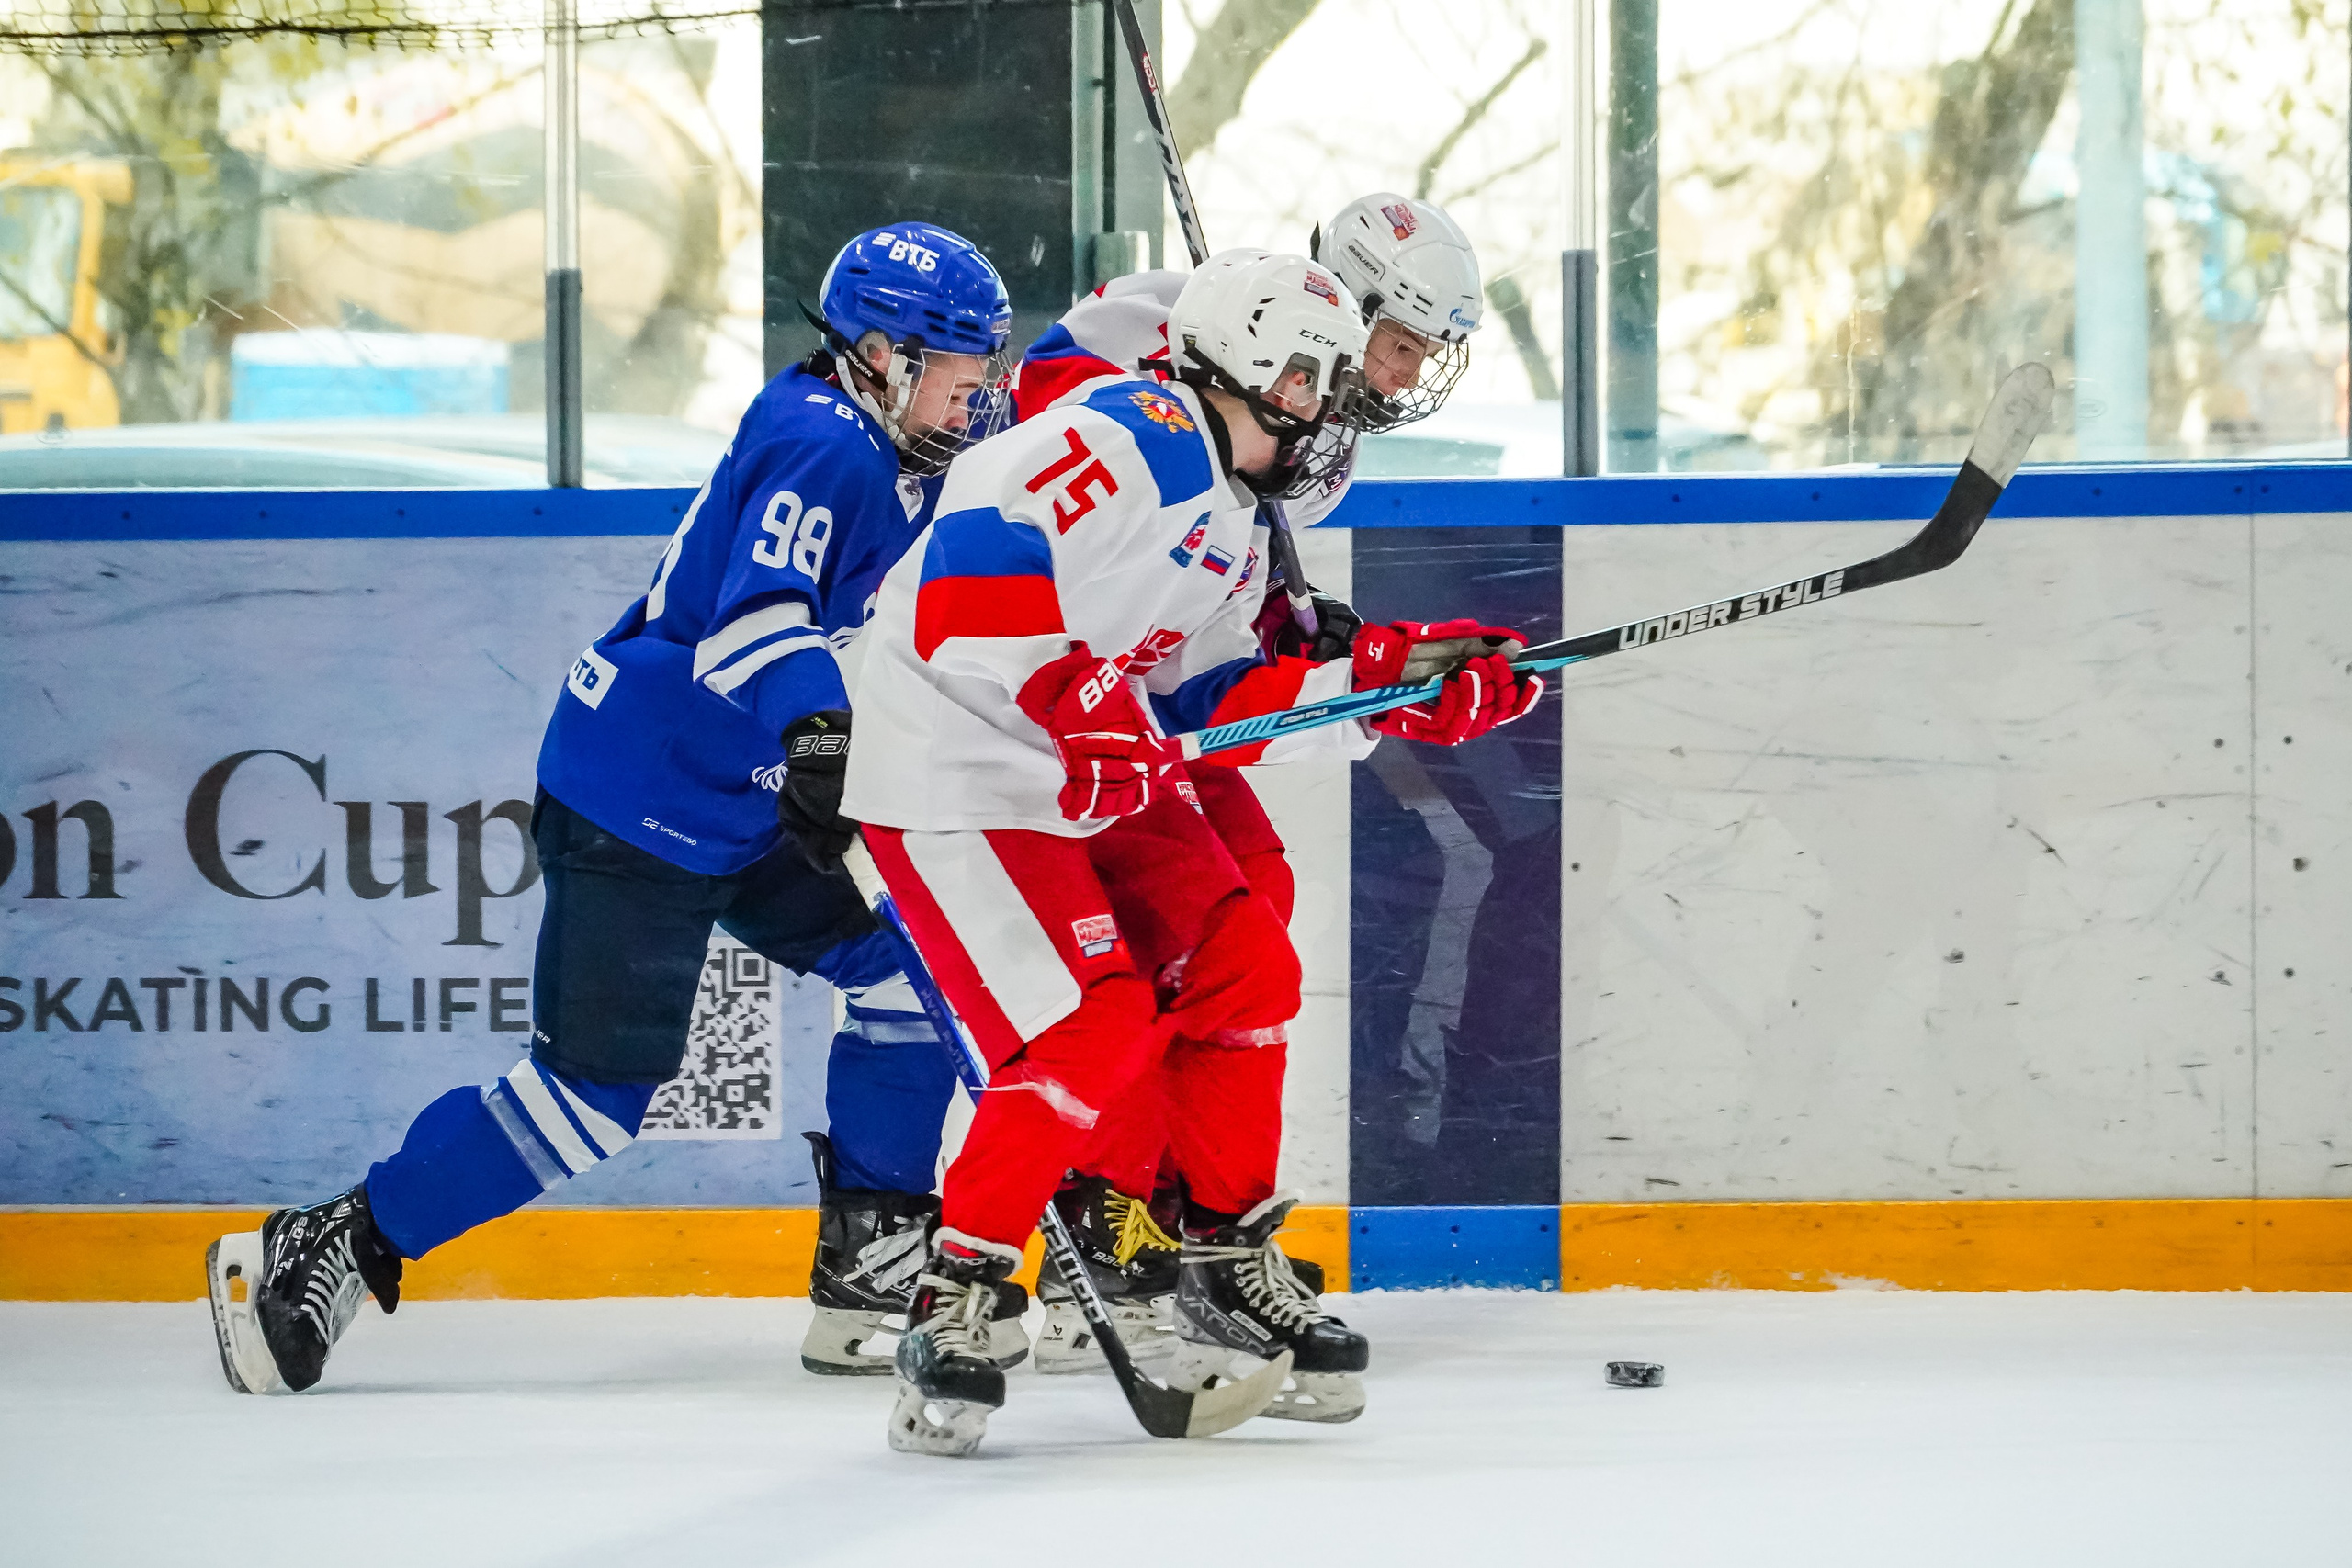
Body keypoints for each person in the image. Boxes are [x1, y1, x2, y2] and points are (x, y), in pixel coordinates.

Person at [203, 222, 1029, 1395]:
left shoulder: (912, 440)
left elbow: (1039, 430)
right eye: (960, 365)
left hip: (752, 798)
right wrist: (823, 736)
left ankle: (872, 1262)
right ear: (884, 355)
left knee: (911, 979)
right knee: (593, 1100)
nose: (979, 392)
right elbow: (751, 627)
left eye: (989, 365)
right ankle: (338, 1240)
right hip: (640, 799)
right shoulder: (824, 442)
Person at [841, 248, 1543, 1457]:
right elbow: (973, 563)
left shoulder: (1225, 508)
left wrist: (1386, 686)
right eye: (1309, 379)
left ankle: (1217, 1257)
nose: (1324, 408)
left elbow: (1205, 695)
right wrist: (1074, 691)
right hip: (957, 763)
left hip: (1070, 766)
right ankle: (955, 1294)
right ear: (1248, 369)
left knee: (1247, 966)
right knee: (1090, 1023)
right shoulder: (1140, 433)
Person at [1000, 194, 1524, 1375]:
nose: (1411, 372)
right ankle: (1111, 1220)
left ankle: (1183, 1223)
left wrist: (1341, 651)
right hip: (1039, 708)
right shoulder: (1155, 346)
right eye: (1403, 343)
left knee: (1257, 898)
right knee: (1170, 954)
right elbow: (1043, 460)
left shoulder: (1305, 429)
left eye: (1429, 353)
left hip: (1134, 696)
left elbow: (1213, 623)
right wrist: (1184, 379)